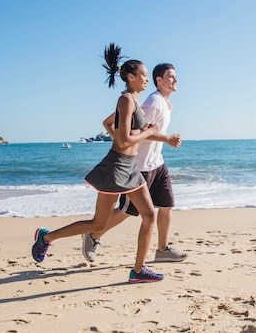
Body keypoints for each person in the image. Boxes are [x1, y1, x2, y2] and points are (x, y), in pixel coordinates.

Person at [31, 43, 163, 283]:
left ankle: (138, 270)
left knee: (149, 215)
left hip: (130, 167)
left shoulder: (133, 100)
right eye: (144, 75)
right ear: (131, 77)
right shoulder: (125, 100)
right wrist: (147, 131)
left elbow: (110, 127)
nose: (147, 79)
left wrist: (141, 134)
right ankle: (46, 237)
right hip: (115, 169)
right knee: (98, 223)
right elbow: (123, 140)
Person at [81, 63, 187, 263]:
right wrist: (166, 139)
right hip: (140, 167)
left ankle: (163, 250)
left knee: (166, 205)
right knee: (127, 211)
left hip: (158, 164)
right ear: (159, 80)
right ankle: (93, 235)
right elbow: (137, 132)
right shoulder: (153, 102)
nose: (176, 80)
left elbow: (128, 126)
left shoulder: (165, 102)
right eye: (171, 77)